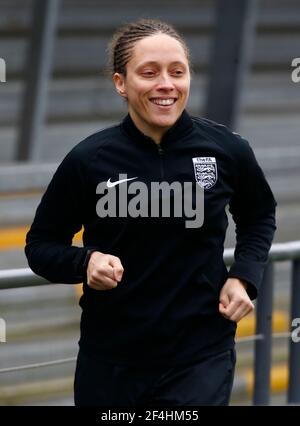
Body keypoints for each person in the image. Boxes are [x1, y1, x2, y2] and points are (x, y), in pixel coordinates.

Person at [25, 19, 276, 406]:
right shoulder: (88, 159)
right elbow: (40, 245)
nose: (167, 84)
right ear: (120, 83)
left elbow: (259, 214)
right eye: (149, 72)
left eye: (178, 72)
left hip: (200, 356)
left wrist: (244, 277)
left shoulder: (227, 150)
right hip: (111, 362)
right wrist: (85, 262)